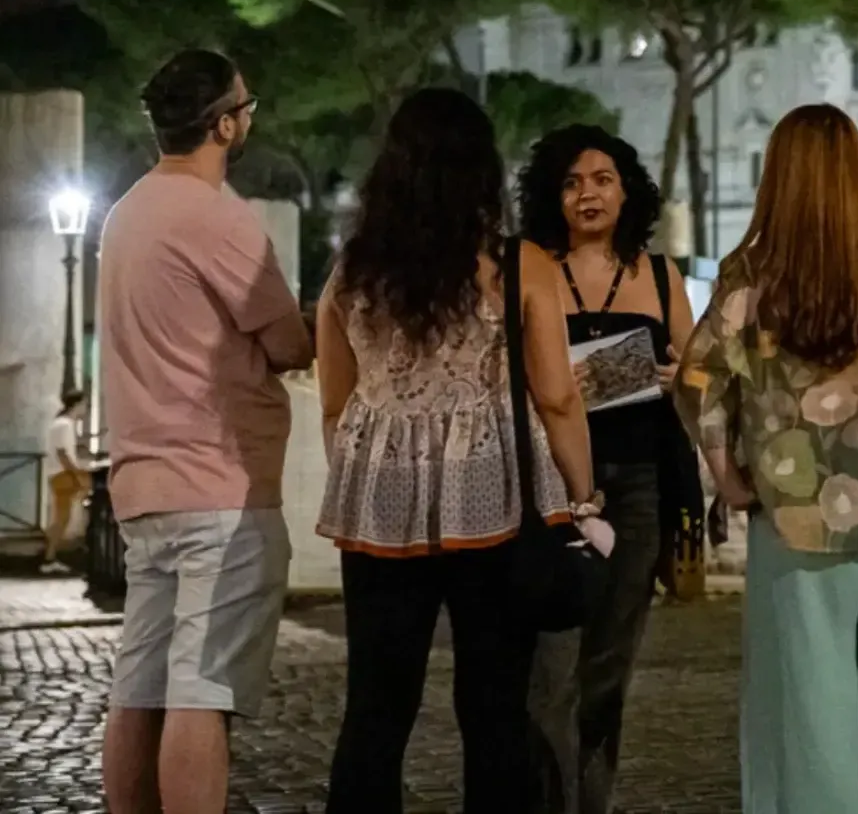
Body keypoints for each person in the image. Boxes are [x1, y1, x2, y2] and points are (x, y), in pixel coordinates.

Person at [674, 103, 858, 814]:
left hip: (795, 516)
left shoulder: (749, 277)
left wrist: (726, 474)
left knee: (806, 717)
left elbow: (697, 385)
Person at [317, 89, 605, 814]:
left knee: (377, 706)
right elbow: (558, 395)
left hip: (379, 504)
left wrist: (372, 469)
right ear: (482, 170)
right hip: (496, 498)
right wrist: (582, 494)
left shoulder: (351, 272)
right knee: (494, 707)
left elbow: (335, 401)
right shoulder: (520, 266)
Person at [100, 49, 313, 814]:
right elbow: (289, 343)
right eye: (247, 108)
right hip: (221, 487)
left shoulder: (125, 213)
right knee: (202, 692)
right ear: (224, 124)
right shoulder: (222, 219)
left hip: (143, 486)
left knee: (140, 690)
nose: (249, 118)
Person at [518, 124, 696, 814]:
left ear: (628, 192)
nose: (586, 193)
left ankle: (592, 799)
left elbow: (700, 372)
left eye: (601, 179)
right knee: (548, 666)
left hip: (640, 483)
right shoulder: (529, 268)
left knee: (609, 664)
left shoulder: (658, 274)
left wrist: (681, 375)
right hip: (551, 486)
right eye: (569, 181)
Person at [41, 390, 89, 572]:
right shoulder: (65, 425)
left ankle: (50, 557)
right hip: (63, 474)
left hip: (56, 474)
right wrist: (77, 473)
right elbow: (63, 454)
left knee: (61, 517)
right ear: (76, 404)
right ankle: (49, 558)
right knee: (62, 518)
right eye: (84, 405)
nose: (85, 409)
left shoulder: (58, 423)